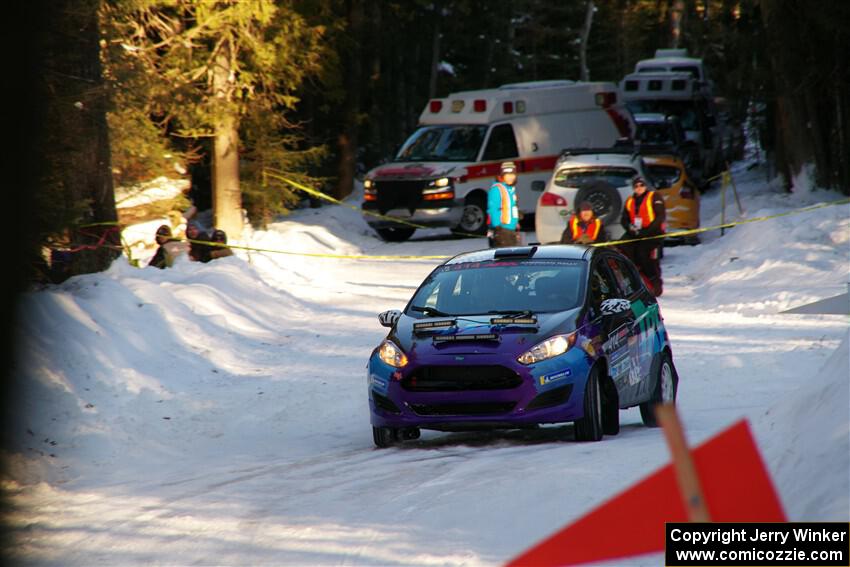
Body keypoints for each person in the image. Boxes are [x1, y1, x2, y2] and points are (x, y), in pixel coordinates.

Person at [620, 176, 666, 296]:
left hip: (652, 233)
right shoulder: (630, 200)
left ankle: (653, 281)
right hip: (635, 233)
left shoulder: (654, 197)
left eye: (641, 185)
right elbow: (624, 219)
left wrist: (646, 231)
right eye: (636, 186)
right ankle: (632, 277)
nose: (639, 188)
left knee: (643, 254)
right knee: (622, 248)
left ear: (645, 186)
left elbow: (660, 217)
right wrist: (630, 228)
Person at [487, 161, 521, 247]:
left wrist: (516, 220)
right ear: (502, 175)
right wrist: (497, 227)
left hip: (511, 228)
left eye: (512, 174)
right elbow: (493, 209)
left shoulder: (510, 189)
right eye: (507, 175)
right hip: (502, 229)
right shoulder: (497, 189)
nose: (511, 177)